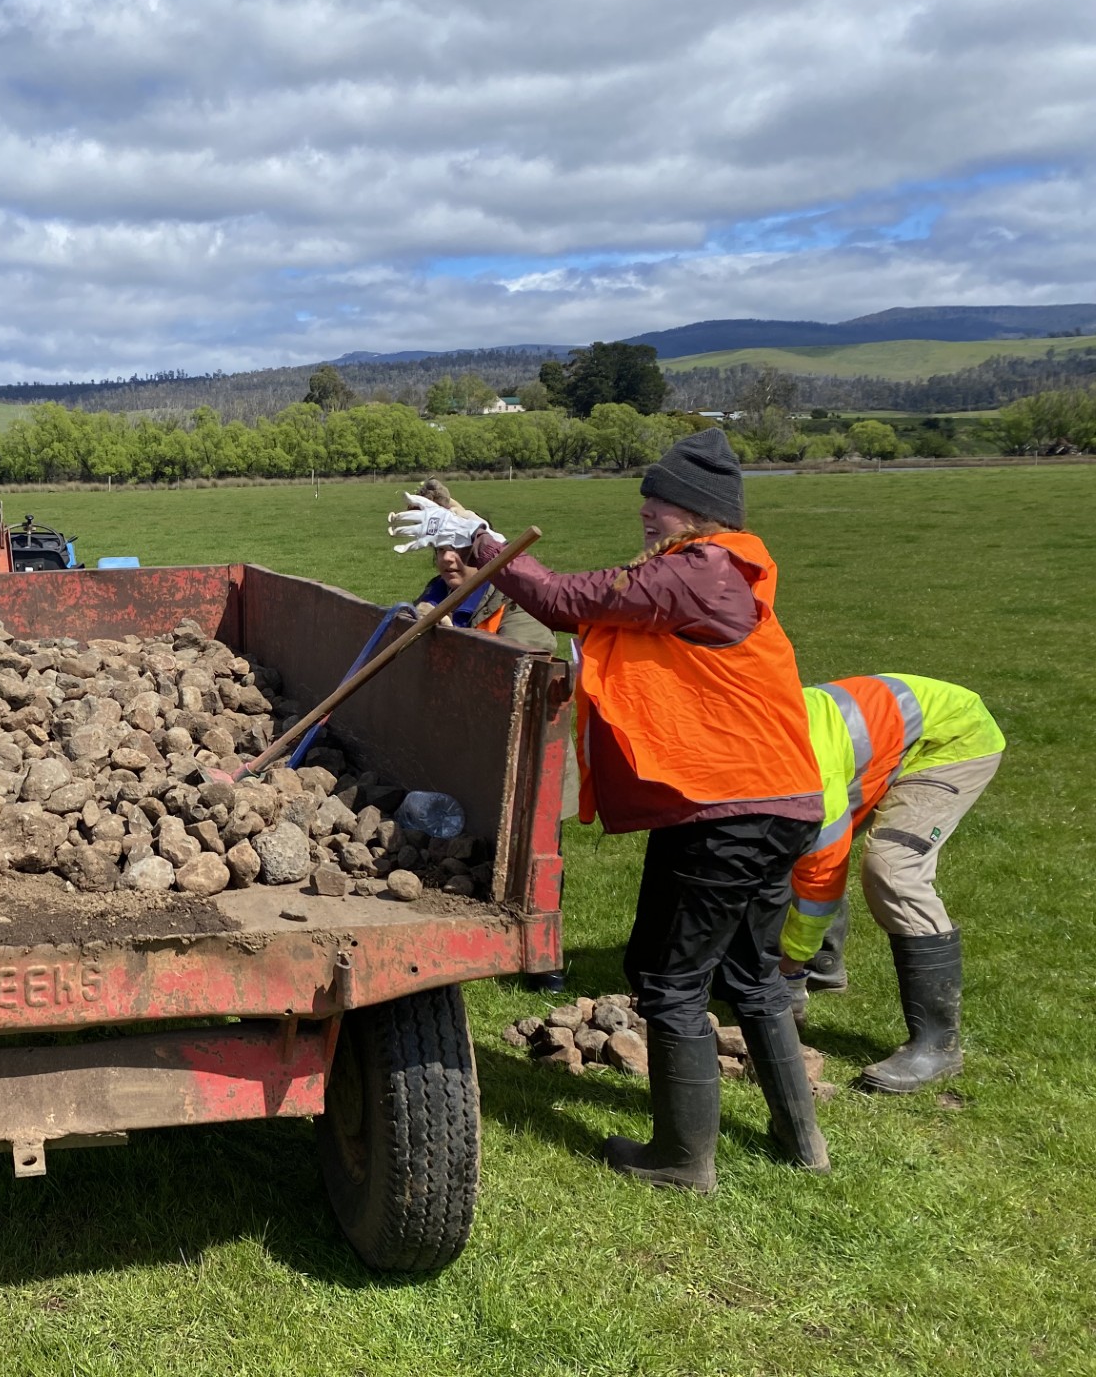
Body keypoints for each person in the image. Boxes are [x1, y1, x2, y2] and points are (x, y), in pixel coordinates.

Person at [389, 428, 827, 1190]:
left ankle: (683, 1159)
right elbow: (585, 603)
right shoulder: (712, 572)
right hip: (775, 801)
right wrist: (482, 533)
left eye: (655, 503)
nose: (645, 515)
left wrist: (481, 538)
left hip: (725, 809)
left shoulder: (702, 572)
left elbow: (565, 601)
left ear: (694, 509)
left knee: (670, 979)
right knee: (752, 978)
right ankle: (802, 1143)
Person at [781, 674, 1005, 1092]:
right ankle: (823, 968)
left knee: (893, 871)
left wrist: (790, 962)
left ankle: (938, 1047)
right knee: (787, 841)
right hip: (889, 737)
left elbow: (822, 866)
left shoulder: (803, 766)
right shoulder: (759, 745)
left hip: (953, 737)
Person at [408, 480, 553, 649]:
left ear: (482, 552)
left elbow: (516, 668)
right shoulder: (435, 592)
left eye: (459, 548)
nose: (447, 557)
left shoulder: (520, 602)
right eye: (441, 549)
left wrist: (450, 637)